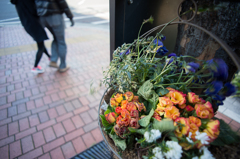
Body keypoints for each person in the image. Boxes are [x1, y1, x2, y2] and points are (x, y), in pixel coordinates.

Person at [11, 0, 51, 74]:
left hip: (27, 24)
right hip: (34, 23)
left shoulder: (17, 2)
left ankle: (49, 57)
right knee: (40, 46)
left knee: (40, 42)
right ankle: (35, 67)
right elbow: (34, 10)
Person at [35, 0, 74, 73]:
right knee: (61, 41)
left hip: (42, 18)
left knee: (56, 38)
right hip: (55, 17)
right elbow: (62, 3)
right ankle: (63, 65)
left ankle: (53, 60)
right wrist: (70, 16)